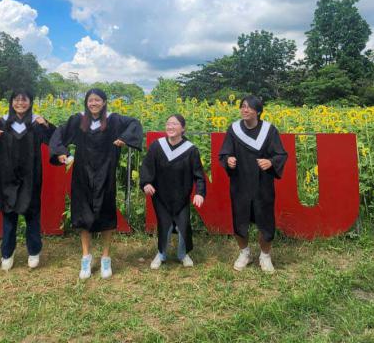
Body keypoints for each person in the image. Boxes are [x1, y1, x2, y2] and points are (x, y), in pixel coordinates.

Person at [49, 89, 143, 279]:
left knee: (106, 213)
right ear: (86, 102)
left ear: (104, 102)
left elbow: (135, 123)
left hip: (106, 172)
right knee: (83, 213)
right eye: (90, 100)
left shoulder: (114, 120)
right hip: (82, 173)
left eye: (97, 100)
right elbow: (59, 134)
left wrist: (124, 138)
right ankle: (86, 257)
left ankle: (106, 258)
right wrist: (61, 152)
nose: (93, 103)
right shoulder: (78, 120)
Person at [0, 90, 55, 271]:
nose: (20, 103)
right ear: (11, 102)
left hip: (31, 176)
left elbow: (54, 139)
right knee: (9, 215)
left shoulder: (37, 122)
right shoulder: (2, 122)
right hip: (7, 176)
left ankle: (34, 251)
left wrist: (47, 124)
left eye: (24, 100)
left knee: (32, 214)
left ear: (30, 102)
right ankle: (7, 253)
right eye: (16, 100)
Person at [218, 95, 287, 274]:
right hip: (240, 183)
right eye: (242, 106)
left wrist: (270, 162)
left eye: (249, 107)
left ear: (258, 111)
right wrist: (228, 160)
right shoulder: (234, 129)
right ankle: (245, 253)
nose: (245, 109)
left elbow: (280, 154)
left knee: (266, 221)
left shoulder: (269, 130)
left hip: (262, 184)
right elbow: (224, 153)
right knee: (239, 220)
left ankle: (265, 256)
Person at [139, 114, 206, 269]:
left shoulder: (191, 150)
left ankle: (183, 254)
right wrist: (146, 183)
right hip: (161, 195)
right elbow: (147, 166)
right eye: (168, 123)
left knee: (183, 225)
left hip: (181, 196)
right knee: (165, 225)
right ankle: (161, 253)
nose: (170, 126)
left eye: (175, 124)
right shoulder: (157, 146)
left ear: (183, 128)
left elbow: (199, 175)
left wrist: (199, 192)